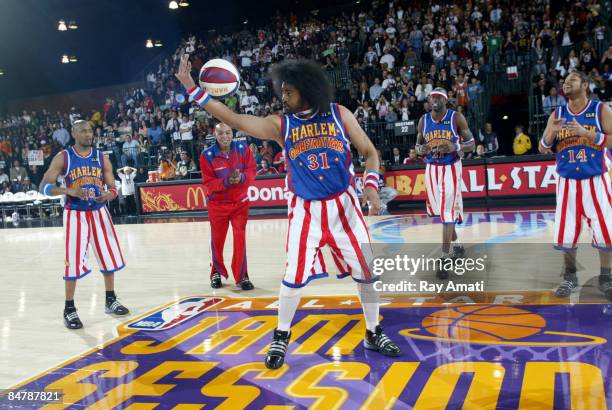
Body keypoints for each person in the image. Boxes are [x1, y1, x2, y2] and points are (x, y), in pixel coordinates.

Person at [175, 56, 402, 370]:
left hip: (345, 208)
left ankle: (373, 331)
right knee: (293, 278)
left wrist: (372, 185)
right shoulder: (280, 124)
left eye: (288, 92)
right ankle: (281, 334)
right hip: (305, 211)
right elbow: (235, 118)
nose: (282, 97)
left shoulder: (340, 115)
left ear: (306, 90)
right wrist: (192, 89)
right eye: (281, 91)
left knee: (367, 273)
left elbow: (370, 152)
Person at [39, 120, 128, 330]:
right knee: (73, 261)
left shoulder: (101, 156)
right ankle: (69, 309)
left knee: (108, 257)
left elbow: (114, 187)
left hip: (99, 211)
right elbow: (44, 186)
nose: (88, 134)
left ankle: (110, 299)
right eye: (83, 131)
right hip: (75, 214)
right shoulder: (64, 157)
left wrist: (109, 194)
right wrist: (67, 191)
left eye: (90, 131)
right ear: (74, 134)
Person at [539, 71, 612, 300]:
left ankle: (606, 277)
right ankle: (570, 277)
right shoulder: (557, 113)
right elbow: (543, 147)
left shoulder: (600, 110)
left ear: (585, 85)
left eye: (572, 80)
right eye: (565, 81)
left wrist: (588, 134)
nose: (566, 83)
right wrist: (551, 133)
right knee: (567, 233)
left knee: (605, 231)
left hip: (595, 180)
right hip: (567, 182)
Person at [416, 88, 475, 279]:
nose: (435, 99)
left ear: (445, 100)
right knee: (442, 213)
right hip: (432, 169)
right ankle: (457, 246)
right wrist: (421, 149)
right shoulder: (423, 121)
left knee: (447, 214)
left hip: (450, 168)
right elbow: (417, 147)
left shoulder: (456, 117)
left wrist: (455, 146)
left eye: (438, 97)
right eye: (432, 97)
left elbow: (472, 144)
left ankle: (444, 258)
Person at [200, 122, 257, 290]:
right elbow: (208, 182)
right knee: (217, 241)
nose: (225, 136)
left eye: (228, 133)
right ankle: (216, 272)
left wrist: (242, 178)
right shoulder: (207, 155)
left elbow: (252, 170)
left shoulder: (242, 148)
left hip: (240, 204)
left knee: (240, 239)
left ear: (232, 133)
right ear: (215, 135)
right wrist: (226, 182)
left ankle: (242, 275)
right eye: (221, 134)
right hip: (217, 205)